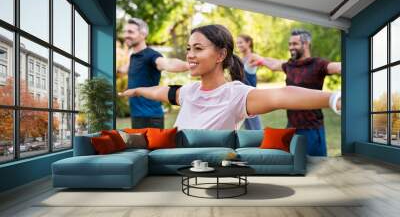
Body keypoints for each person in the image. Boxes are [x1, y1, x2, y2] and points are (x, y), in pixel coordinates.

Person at [119, 25, 341, 134]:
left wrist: (333, 99)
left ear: (221, 55)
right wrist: (137, 90)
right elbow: (160, 91)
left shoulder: (235, 94)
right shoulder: (188, 92)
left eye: (198, 48)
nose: (189, 54)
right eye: (188, 49)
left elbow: (282, 95)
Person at [248, 29, 342, 156]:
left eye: (295, 44)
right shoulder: (289, 65)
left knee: (317, 168)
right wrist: (260, 59)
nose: (291, 47)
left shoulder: (318, 64)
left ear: (306, 44)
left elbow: (336, 67)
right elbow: (274, 63)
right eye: (290, 44)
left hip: (312, 129)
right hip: (291, 127)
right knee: (294, 166)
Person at [118, 18, 189, 129]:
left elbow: (168, 63)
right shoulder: (134, 56)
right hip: (137, 115)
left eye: (130, 32)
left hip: (150, 118)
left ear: (143, 34)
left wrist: (191, 65)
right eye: (126, 31)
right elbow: (123, 70)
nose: (126, 35)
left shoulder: (151, 55)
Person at [236, 34, 262, 130]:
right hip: (242, 100)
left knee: (255, 130)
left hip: (252, 100)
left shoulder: (252, 57)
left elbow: (261, 60)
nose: (238, 45)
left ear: (248, 43)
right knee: (248, 130)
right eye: (237, 43)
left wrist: (260, 62)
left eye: (241, 42)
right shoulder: (241, 60)